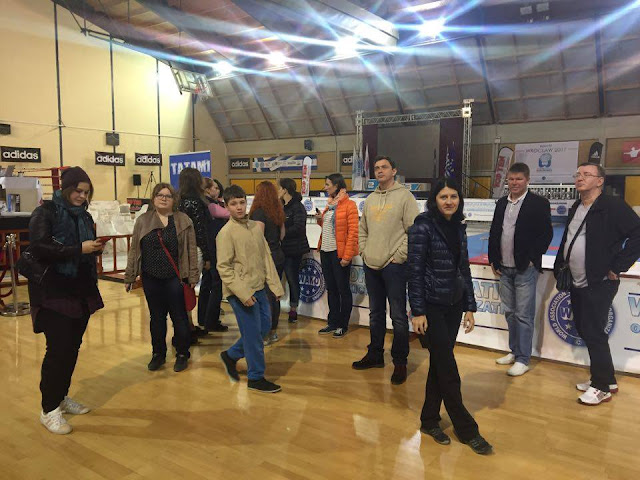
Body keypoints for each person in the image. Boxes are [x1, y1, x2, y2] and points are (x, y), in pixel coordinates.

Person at [408, 178, 493, 455]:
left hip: (454, 304)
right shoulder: (422, 226)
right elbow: (414, 271)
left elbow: (463, 269)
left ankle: (429, 419)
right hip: (431, 306)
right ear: (434, 200)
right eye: (443, 197)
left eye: (453, 196)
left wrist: (470, 306)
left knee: (439, 363)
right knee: (448, 368)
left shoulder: (458, 226)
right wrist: (418, 311)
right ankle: (467, 429)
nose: (449, 201)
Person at [554, 162, 640, 405]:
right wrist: (560, 264)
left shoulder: (613, 206)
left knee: (593, 332)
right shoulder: (577, 206)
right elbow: (569, 238)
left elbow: (638, 234)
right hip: (577, 280)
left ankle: (601, 387)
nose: (579, 178)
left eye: (586, 174)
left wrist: (618, 266)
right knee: (586, 329)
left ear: (600, 181)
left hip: (599, 281)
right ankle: (607, 379)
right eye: (577, 174)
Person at [27, 167, 104, 435]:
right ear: (66, 188)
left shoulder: (84, 216)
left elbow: (82, 249)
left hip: (80, 290)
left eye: (86, 192)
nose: (82, 196)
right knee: (58, 350)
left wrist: (94, 249)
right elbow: (38, 248)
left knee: (71, 348)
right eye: (78, 191)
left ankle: (60, 397)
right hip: (53, 292)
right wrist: (78, 249)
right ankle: (48, 409)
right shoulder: (46, 212)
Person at [353, 155, 420, 385]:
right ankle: (375, 354)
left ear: (394, 171)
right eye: (376, 168)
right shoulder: (371, 199)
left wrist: (398, 257)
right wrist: (364, 251)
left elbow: (414, 231)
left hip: (394, 267)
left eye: (384, 167)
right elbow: (363, 229)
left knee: (398, 316)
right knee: (375, 314)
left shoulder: (405, 197)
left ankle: (400, 362)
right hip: (371, 264)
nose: (380, 170)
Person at [125, 183, 199, 373]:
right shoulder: (143, 221)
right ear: (153, 198)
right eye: (160, 195)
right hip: (151, 277)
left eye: (168, 196)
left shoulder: (183, 220)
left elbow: (191, 249)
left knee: (179, 317)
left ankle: (182, 353)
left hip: (175, 278)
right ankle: (158, 354)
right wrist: (130, 275)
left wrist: (193, 275)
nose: (164, 198)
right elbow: (134, 250)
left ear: (174, 200)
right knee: (156, 318)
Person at [217, 185, 284, 393]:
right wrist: (243, 294)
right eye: (233, 204)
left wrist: (275, 286)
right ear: (226, 206)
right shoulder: (225, 233)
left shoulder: (255, 227)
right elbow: (224, 268)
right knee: (253, 335)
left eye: (242, 202)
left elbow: (266, 257)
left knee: (264, 327)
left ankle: (231, 355)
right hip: (240, 292)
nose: (239, 207)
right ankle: (256, 377)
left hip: (259, 287)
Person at [488, 162, 553, 376]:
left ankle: (524, 359)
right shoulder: (501, 203)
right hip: (504, 268)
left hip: (525, 268)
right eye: (511, 179)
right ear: (507, 180)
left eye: (519, 179)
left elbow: (546, 234)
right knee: (510, 313)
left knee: (524, 315)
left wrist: (533, 258)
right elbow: (495, 231)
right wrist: (493, 259)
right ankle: (514, 351)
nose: (514, 182)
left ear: (527, 180)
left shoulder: (539, 203)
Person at [315, 173, 358, 338]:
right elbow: (329, 228)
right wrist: (320, 219)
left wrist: (347, 256)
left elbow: (353, 233)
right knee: (331, 289)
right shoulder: (330, 205)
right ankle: (332, 322)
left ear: (337, 185)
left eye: (327, 184)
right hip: (325, 252)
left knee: (343, 290)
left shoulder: (349, 205)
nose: (325, 188)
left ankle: (342, 324)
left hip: (339, 254)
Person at [178, 168, 214, 339]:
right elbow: (200, 231)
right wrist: (207, 256)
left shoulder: (178, 201)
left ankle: (188, 324)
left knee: (184, 287)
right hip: (195, 250)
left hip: (180, 249)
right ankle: (188, 327)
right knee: (190, 287)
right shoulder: (196, 202)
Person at [250, 181, 286, 344]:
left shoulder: (258, 213)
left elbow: (258, 239)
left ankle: (265, 332)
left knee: (264, 297)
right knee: (274, 295)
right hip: (278, 255)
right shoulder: (278, 211)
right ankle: (273, 331)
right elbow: (282, 235)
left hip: (265, 258)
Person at [278, 177, 310, 324]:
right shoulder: (281, 206)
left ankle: (293, 310)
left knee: (292, 279)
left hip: (294, 250)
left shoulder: (298, 207)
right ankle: (274, 308)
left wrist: (282, 233)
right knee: (277, 279)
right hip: (282, 249)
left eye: (279, 188)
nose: (277, 191)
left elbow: (299, 227)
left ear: (285, 190)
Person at [201, 177, 229, 332]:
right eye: (215, 188)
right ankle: (211, 320)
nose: (217, 190)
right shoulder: (211, 205)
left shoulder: (208, 204)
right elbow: (228, 213)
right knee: (215, 285)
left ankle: (204, 318)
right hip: (214, 249)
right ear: (207, 190)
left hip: (210, 248)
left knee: (208, 284)